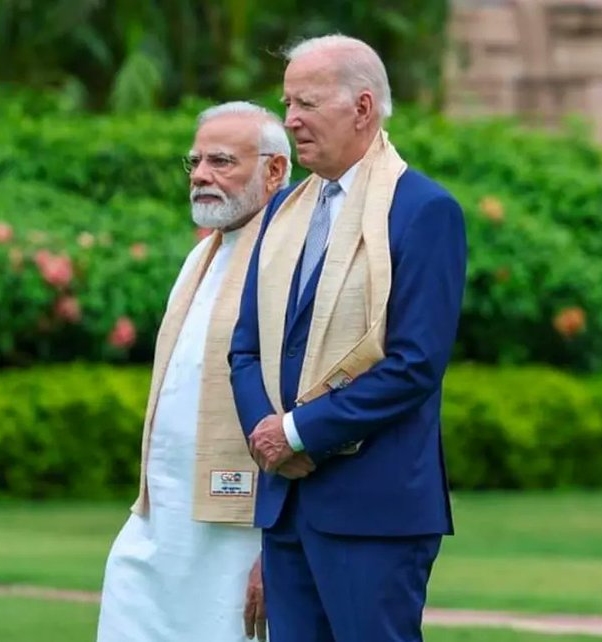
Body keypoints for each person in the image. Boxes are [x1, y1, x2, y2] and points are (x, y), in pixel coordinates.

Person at [229, 34, 467, 642]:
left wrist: (299, 431)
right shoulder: (282, 213)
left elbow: (414, 366)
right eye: (286, 104)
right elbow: (246, 349)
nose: (289, 120)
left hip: (375, 513)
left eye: (305, 104)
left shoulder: (423, 209)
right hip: (287, 505)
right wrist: (270, 438)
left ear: (362, 108)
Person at [97, 102, 292, 642]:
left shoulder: (291, 260)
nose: (202, 175)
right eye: (196, 162)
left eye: (222, 161)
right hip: (159, 518)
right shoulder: (202, 256)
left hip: (238, 531)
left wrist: (272, 553)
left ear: (274, 170)